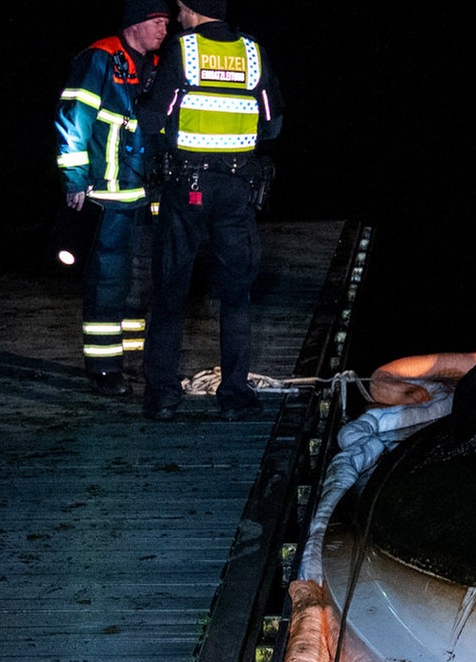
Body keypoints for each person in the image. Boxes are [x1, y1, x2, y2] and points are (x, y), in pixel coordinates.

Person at [138, 0, 284, 421]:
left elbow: (152, 120)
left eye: (180, 9)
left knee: (169, 292)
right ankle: (234, 394)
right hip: (237, 191)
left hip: (187, 189)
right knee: (236, 295)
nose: (177, 16)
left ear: (192, 9)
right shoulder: (252, 52)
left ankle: (164, 395)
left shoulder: (183, 51)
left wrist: (150, 99)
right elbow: (272, 125)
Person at [55, 1, 173, 397]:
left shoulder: (155, 64)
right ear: (136, 23)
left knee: (142, 284)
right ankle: (104, 371)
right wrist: (74, 178)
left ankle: (135, 364)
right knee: (108, 283)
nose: (163, 29)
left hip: (146, 195)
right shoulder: (101, 58)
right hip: (106, 196)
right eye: (158, 22)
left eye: (166, 23)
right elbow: (73, 118)